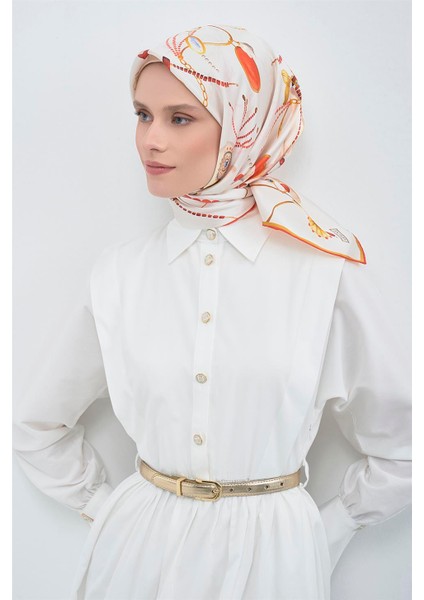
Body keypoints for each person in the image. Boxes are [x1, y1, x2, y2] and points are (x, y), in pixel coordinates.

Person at [13, 23, 411, 600]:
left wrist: (328, 528)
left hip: (275, 560)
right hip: (137, 557)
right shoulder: (119, 275)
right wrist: (107, 512)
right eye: (142, 115)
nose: (150, 140)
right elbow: (36, 427)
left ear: (245, 124)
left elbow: (404, 447)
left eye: (180, 118)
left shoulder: (324, 275)